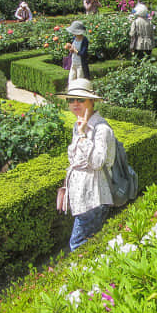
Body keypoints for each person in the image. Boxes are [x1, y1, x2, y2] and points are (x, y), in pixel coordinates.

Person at [56, 79, 116, 251]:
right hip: (82, 196)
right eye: (71, 100)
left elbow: (97, 162)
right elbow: (74, 158)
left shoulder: (101, 129)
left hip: (94, 197)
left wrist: (83, 137)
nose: (75, 104)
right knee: (90, 243)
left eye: (80, 99)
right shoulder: (79, 125)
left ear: (92, 101)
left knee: (77, 244)